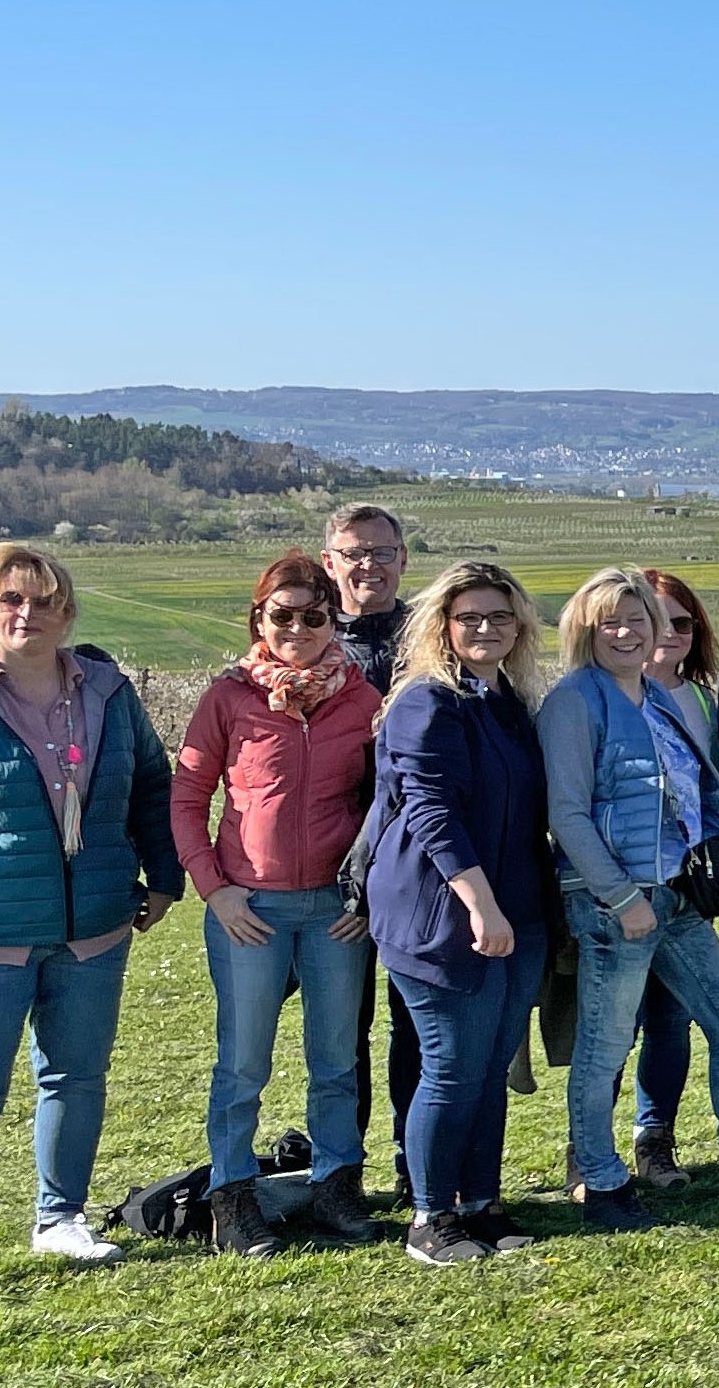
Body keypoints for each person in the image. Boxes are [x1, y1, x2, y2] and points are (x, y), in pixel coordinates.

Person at [0, 543, 184, 1310]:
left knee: (76, 1078)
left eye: (44, 601)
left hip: (94, 928)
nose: (28, 615)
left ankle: (61, 1218)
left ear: (67, 612)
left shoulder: (110, 692)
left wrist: (165, 878)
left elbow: (152, 784)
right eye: (11, 600)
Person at [540, 567, 719, 1231]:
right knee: (604, 1048)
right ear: (584, 629)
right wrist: (619, 896)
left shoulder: (661, 697)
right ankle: (603, 1182)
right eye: (609, 620)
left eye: (637, 620)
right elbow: (567, 812)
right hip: (617, 907)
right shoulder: (574, 702)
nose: (625, 631)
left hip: (677, 898)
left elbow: (697, 787)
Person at [171, 552, 382, 1256]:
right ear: (258, 619)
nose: (297, 628)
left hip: (334, 911)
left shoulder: (362, 699)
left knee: (335, 1061)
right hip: (249, 909)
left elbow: (388, 803)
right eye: (281, 615)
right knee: (243, 1064)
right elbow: (187, 798)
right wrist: (215, 887)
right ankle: (232, 1201)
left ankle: (335, 1185)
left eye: (313, 616)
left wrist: (369, 890)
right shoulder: (229, 697)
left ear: (333, 621)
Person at [365, 560, 559, 1268]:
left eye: (500, 617)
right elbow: (433, 815)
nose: (485, 628)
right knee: (450, 1065)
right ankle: (429, 1217)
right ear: (442, 625)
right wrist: (480, 906)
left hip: (518, 907)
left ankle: (480, 1201)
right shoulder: (427, 702)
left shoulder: (505, 700)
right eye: (470, 616)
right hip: (441, 916)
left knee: (488, 1065)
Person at [318, 502, 419, 1199]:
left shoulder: (434, 636)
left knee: (417, 1023)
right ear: (331, 562)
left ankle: (420, 1164)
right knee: (340, 1030)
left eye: (382, 552)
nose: (369, 566)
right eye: (355, 553)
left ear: (403, 560)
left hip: (419, 860)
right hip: (335, 863)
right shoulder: (310, 645)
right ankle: (342, 1170)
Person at [620, 569, 719, 1184]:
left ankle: (654, 1138)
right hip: (622, 889)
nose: (667, 634)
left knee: (671, 1018)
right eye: (654, 621)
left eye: (681, 623)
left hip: (686, 885)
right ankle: (590, 1152)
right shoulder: (599, 696)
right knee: (613, 1027)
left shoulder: (700, 700)